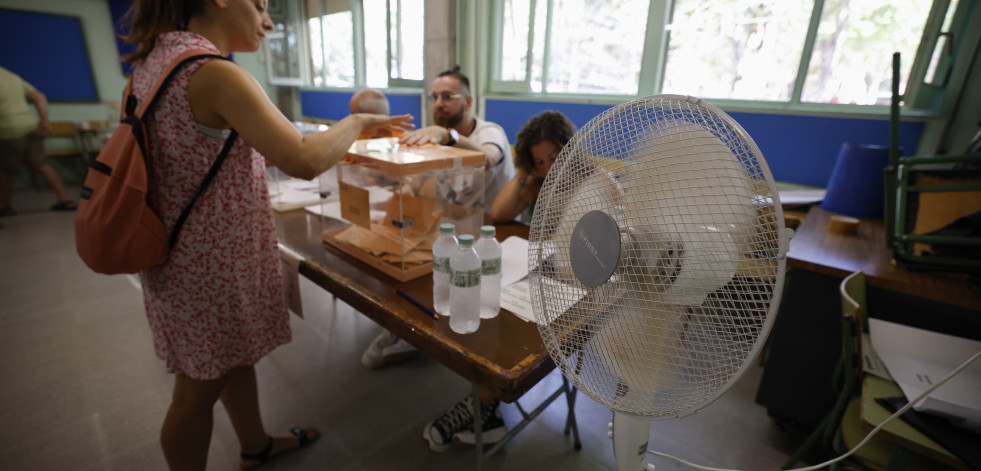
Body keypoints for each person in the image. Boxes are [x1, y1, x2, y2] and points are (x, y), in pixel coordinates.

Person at [121, 1, 412, 470]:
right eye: (259, 4)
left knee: (234, 361)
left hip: (187, 259)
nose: (270, 20)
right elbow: (303, 158)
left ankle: (255, 444)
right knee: (194, 398)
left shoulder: (156, 64)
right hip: (207, 270)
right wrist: (357, 122)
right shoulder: (212, 72)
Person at [351, 89, 421, 369]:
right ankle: (394, 324)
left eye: (355, 116)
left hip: (407, 229)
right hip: (374, 223)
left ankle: (402, 329)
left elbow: (414, 188)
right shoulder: (360, 142)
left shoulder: (404, 146)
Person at [399, 67, 515, 209]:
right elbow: (414, 182)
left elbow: (489, 158)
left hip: (492, 226)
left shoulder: (490, 131)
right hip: (451, 224)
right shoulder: (438, 137)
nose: (438, 104)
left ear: (468, 102)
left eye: (447, 96)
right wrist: (406, 190)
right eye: (434, 97)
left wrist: (449, 136)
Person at [0, 66, 78, 216]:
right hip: (30, 126)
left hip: (6, 130)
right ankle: (65, 199)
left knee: (4, 170)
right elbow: (40, 96)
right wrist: (44, 122)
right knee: (42, 164)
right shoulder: (12, 76)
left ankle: (4, 205)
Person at [489, 110, 576, 223]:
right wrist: (524, 170)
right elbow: (498, 214)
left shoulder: (595, 179)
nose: (547, 169)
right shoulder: (537, 186)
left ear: (569, 151)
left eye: (554, 158)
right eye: (539, 162)